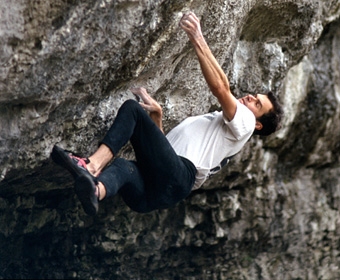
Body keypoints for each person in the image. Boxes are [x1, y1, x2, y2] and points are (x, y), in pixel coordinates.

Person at [51, 12, 283, 215]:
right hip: (160, 192)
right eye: (255, 95)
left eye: (258, 104)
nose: (251, 97)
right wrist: (157, 119)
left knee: (132, 110)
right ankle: (95, 190)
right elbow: (163, 157)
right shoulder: (222, 130)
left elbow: (221, 88)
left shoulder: (246, 122)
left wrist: (197, 38)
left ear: (259, 124)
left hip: (179, 176)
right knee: (123, 167)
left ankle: (90, 166)